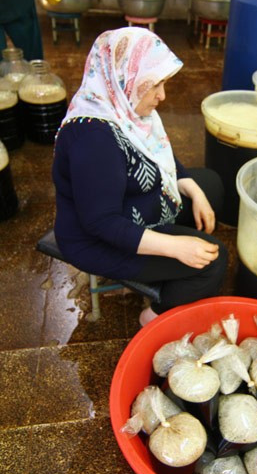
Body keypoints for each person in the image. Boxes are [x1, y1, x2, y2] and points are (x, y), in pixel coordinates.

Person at [52, 28, 228, 326]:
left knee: (210, 185)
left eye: (163, 83)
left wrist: (195, 192)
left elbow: (159, 156)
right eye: (154, 84)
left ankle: (169, 261)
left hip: (129, 204)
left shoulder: (125, 107)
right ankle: (154, 315)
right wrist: (176, 247)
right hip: (96, 239)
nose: (162, 95)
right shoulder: (94, 138)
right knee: (215, 261)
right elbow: (101, 223)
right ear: (124, 77)